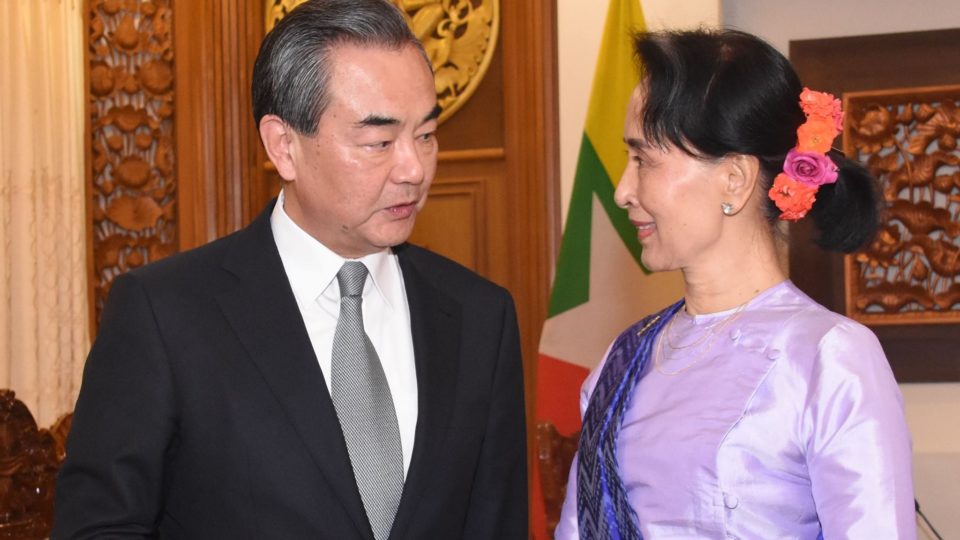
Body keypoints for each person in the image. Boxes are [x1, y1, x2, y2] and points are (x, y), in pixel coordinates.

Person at [52, 1, 527, 538]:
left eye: (426, 135)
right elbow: (97, 530)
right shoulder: (164, 316)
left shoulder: (481, 318)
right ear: (284, 146)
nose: (414, 169)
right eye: (379, 142)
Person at [555, 29, 915, 539]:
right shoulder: (622, 360)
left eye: (644, 160)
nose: (621, 191)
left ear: (735, 179)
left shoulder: (827, 359)